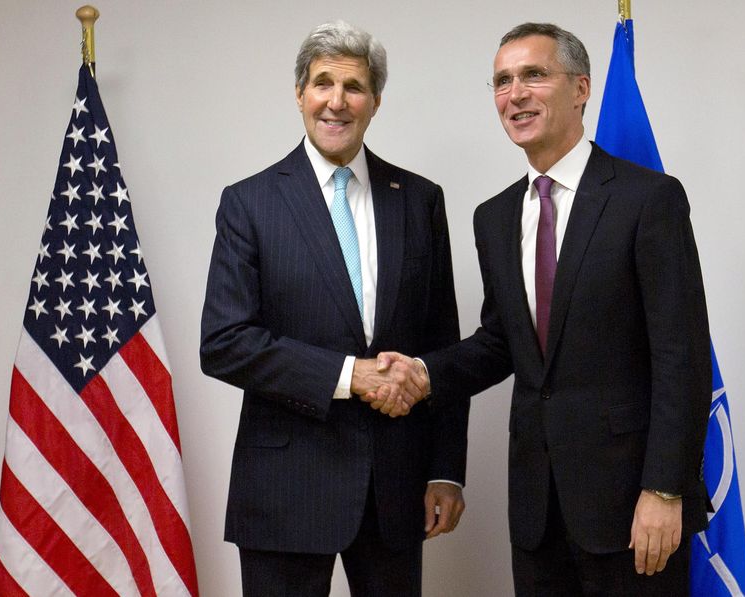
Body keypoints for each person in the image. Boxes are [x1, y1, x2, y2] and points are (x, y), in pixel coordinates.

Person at [370, 22, 711, 596]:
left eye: (534, 75)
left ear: (581, 88)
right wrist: (424, 374)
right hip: (536, 509)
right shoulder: (494, 217)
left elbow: (682, 356)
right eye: (502, 81)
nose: (515, 94)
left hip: (633, 508)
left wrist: (665, 489)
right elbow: (503, 341)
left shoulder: (648, 199)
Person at [199, 20, 470, 597]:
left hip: (397, 491)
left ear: (375, 101)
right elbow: (225, 343)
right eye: (323, 83)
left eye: (354, 87)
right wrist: (353, 377)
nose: (337, 101)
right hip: (285, 492)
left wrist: (446, 470)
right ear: (300, 94)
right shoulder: (249, 203)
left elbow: (442, 343)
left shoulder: (420, 200)